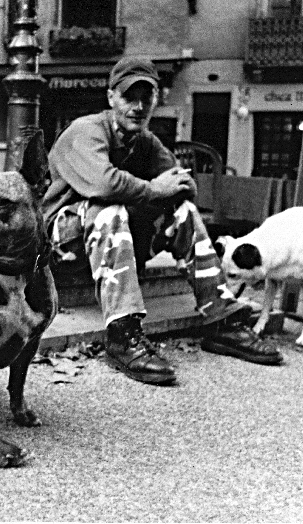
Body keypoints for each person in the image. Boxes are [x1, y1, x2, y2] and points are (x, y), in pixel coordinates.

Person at [42, 56, 282, 385]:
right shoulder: (85, 131)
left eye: (147, 98)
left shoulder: (145, 142)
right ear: (111, 97)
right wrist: (155, 189)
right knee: (110, 209)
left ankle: (220, 318)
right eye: (129, 97)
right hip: (64, 244)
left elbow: (185, 186)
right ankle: (122, 334)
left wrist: (163, 193)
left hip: (115, 246)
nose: (138, 107)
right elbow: (105, 184)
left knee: (182, 213)